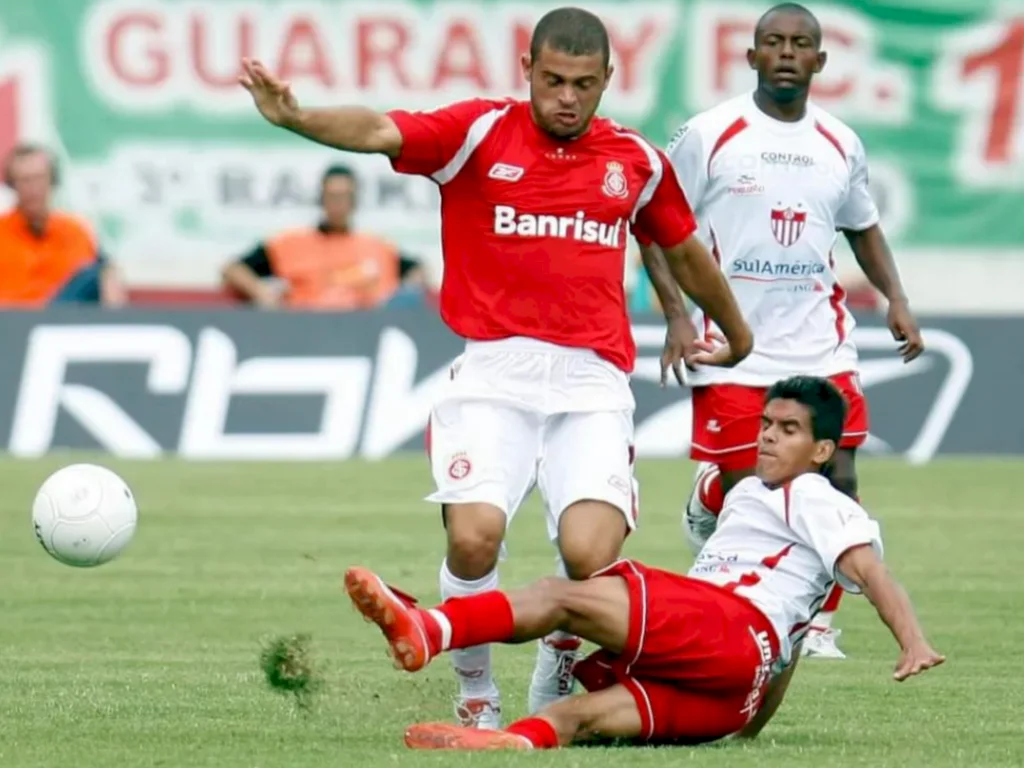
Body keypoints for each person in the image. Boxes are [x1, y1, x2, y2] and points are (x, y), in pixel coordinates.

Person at [241, 6, 752, 728]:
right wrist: (298, 118)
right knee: (474, 535)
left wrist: (736, 333)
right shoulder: (478, 133)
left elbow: (682, 247)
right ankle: (476, 690)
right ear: (527, 71)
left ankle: (565, 645)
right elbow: (382, 129)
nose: (566, 97)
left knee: (589, 557)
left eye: (583, 83)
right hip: (492, 374)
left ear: (608, 79)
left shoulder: (635, 160)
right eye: (552, 80)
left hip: (592, 381)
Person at [344, 375, 945, 750]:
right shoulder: (754, 498)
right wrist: (747, 725)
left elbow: (871, 572)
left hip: (728, 625)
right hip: (736, 686)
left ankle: (430, 630)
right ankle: (512, 743)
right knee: (574, 718)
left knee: (565, 595)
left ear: (820, 451)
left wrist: (912, 641)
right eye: (765, 424)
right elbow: (783, 648)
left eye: (787, 430)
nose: (767, 438)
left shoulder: (814, 494)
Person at [641, 2, 925, 659]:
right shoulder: (709, 134)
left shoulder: (840, 143)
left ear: (820, 60)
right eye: (774, 42)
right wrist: (679, 315)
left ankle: (814, 622)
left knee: (838, 484)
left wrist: (898, 298)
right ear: (752, 57)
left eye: (801, 43)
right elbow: (654, 222)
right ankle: (711, 492)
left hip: (821, 342)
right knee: (757, 496)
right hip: (734, 347)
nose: (787, 52)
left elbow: (863, 228)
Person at [221, 164, 426, 310]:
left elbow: (417, 272)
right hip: (308, 332)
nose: (338, 204)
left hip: (363, 334)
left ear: (354, 201)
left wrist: (401, 297)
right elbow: (232, 269)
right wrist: (262, 293)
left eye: (344, 196)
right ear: (321, 199)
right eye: (332, 196)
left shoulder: (377, 248)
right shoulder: (291, 244)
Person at [0, 143, 127, 307]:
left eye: (39, 178)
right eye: (25, 180)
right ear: (12, 185)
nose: (33, 188)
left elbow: (106, 277)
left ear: (52, 181)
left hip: (61, 323)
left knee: (100, 273)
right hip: (11, 323)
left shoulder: (76, 232)